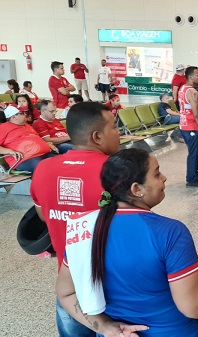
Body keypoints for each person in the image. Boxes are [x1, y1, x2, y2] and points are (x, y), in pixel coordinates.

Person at [56, 148, 198, 337]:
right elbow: (194, 307)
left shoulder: (84, 229)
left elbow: (65, 293)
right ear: (136, 189)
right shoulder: (170, 232)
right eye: (156, 174)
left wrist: (105, 326)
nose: (164, 178)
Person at [30, 101, 120, 337]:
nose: (119, 132)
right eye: (114, 127)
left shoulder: (43, 169)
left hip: (69, 287)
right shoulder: (116, 171)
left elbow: (44, 217)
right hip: (113, 287)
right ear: (98, 136)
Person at [0, 105, 56, 172]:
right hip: (26, 159)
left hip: (46, 154)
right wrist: (9, 151)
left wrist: (47, 144)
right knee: (46, 167)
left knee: (63, 162)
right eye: (22, 113)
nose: (25, 114)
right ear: (13, 117)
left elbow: (36, 139)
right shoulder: (3, 127)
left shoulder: (27, 125)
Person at [179, 66, 198, 188]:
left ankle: (194, 174)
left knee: (193, 152)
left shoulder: (183, 89)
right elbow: (196, 114)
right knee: (194, 154)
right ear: (190, 77)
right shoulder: (192, 92)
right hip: (192, 127)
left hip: (184, 125)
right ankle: (191, 179)